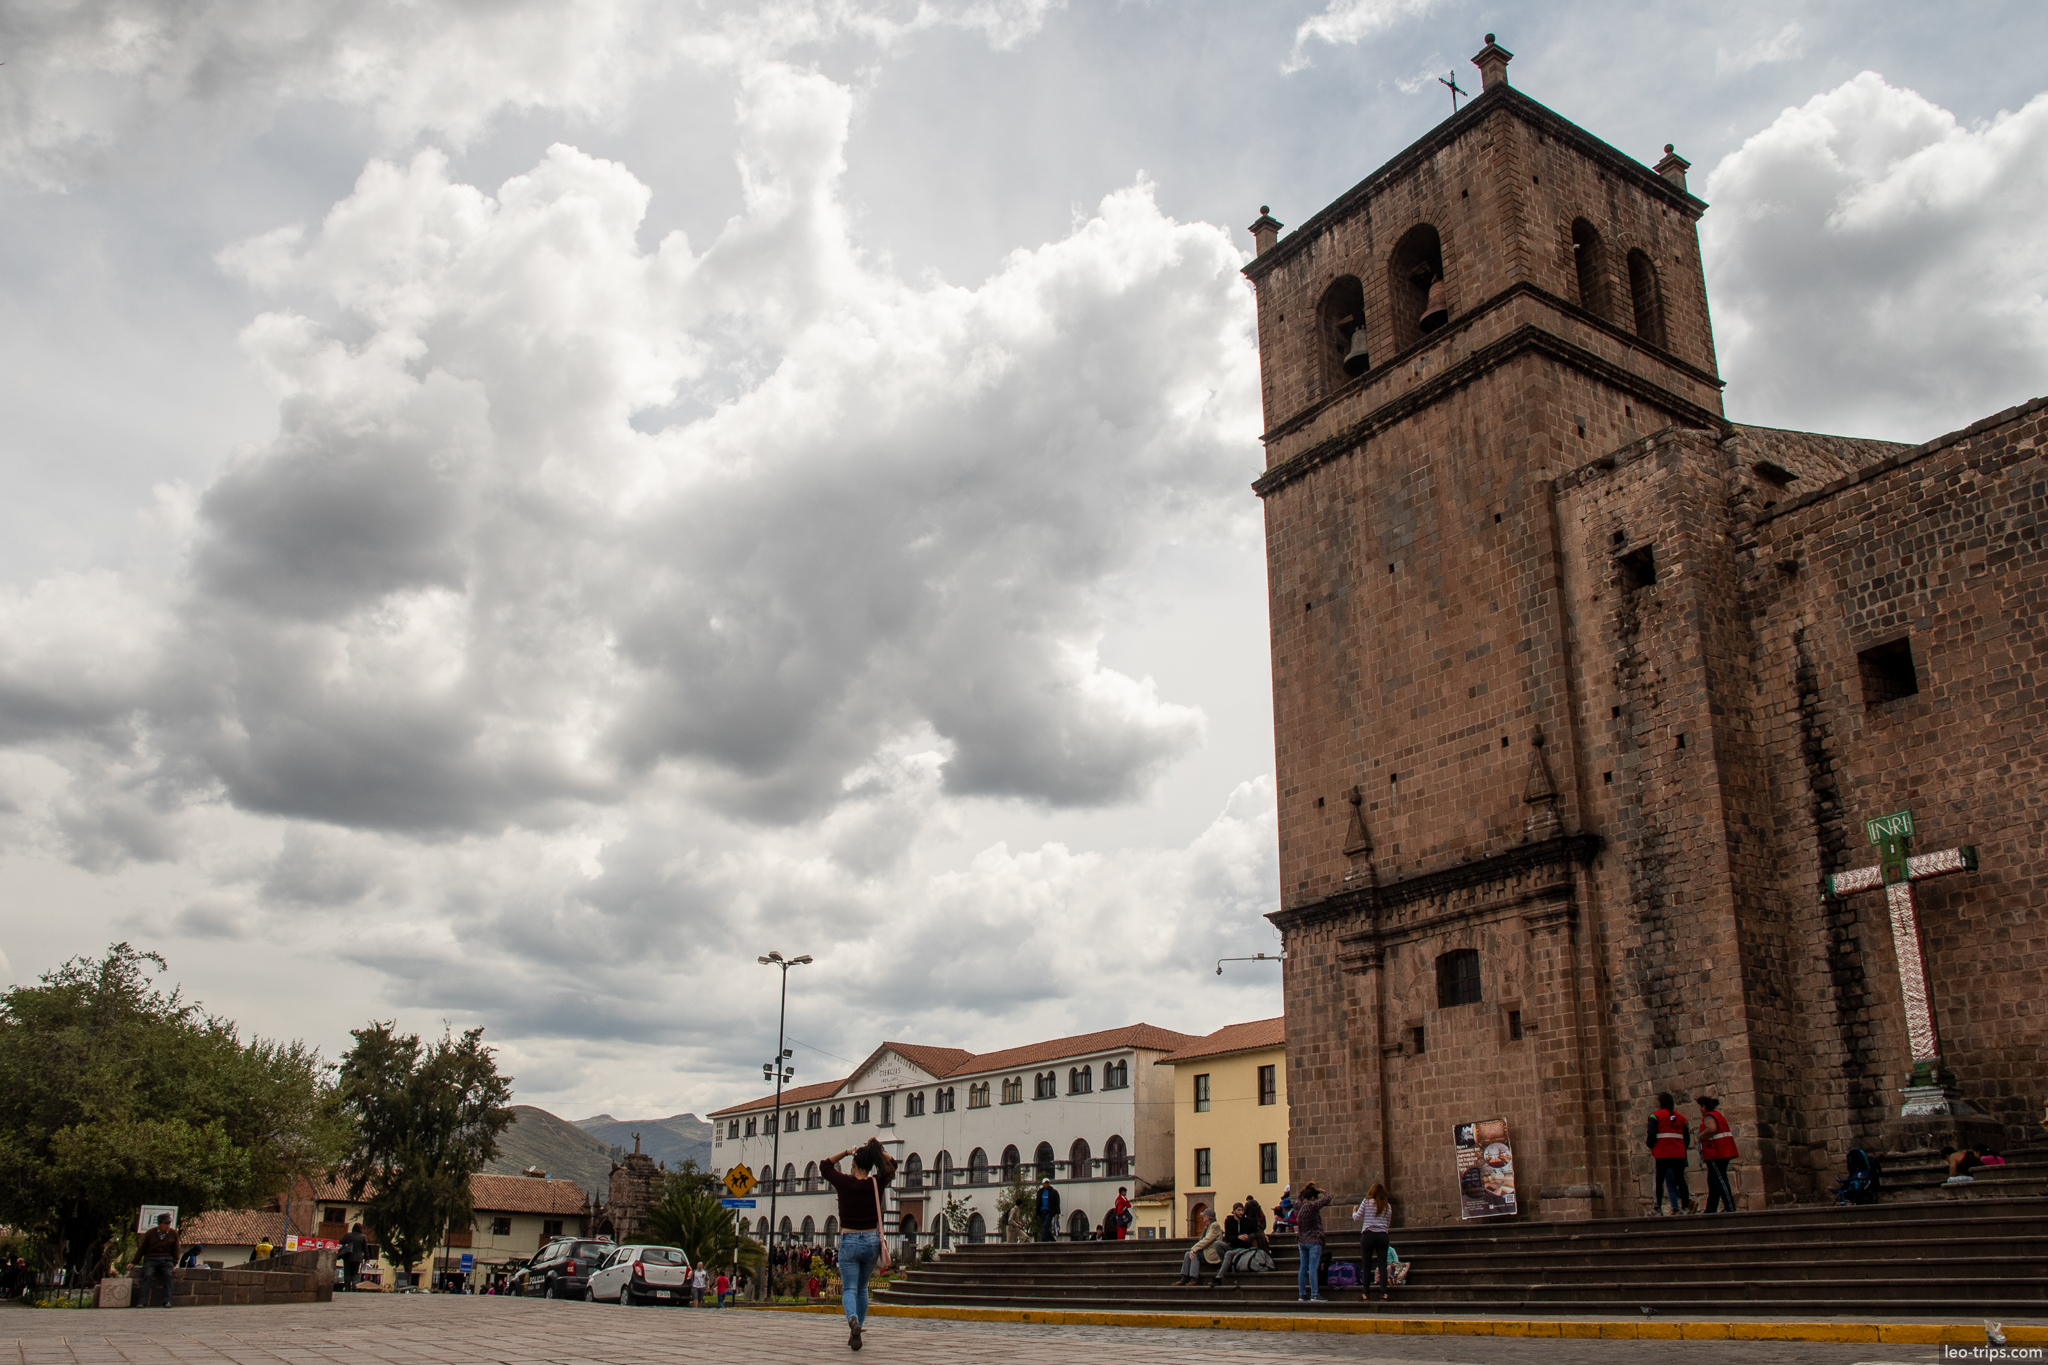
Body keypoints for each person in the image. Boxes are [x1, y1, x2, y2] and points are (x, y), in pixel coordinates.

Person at [821, 1136, 897, 1352]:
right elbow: (893, 1164)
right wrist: (875, 1151)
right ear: (871, 1165)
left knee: (850, 1289)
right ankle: (859, 1327)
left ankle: (852, 1320)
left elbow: (824, 1165)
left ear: (853, 1165)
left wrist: (847, 1151)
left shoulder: (844, 1182)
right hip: (872, 1241)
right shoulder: (876, 1182)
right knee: (863, 1288)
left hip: (850, 1240)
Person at [1647, 1092, 1690, 1215]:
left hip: (1662, 1153)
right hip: (1678, 1153)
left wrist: (1651, 1146)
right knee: (1681, 1180)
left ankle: (1657, 1208)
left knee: (1659, 1181)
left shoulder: (1655, 1116)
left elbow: (1651, 1135)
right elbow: (1686, 1139)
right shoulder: (1681, 1118)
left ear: (1660, 1103)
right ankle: (1685, 1207)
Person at [1293, 1182, 1334, 1303]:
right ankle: (1315, 1294)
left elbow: (1299, 1197)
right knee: (1313, 1267)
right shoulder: (1312, 1206)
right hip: (1314, 1240)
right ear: (1312, 1198)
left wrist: (1304, 1188)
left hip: (1301, 1240)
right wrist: (1322, 1191)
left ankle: (1302, 1294)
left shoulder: (1297, 1206)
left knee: (1303, 1267)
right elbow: (1328, 1199)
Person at [1352, 1182, 1393, 1301]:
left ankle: (1366, 1294)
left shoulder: (1366, 1202)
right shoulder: (1387, 1206)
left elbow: (1356, 1217)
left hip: (1368, 1235)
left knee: (1366, 1265)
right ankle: (1383, 1293)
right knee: (1382, 1265)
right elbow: (1388, 1223)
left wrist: (1354, 1210)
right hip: (1382, 1236)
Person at [1697, 1098, 1737, 1213]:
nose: (1700, 1110)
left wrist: (1701, 1136)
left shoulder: (1709, 1117)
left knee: (1720, 1179)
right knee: (1713, 1181)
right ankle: (1711, 1208)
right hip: (1722, 1151)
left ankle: (1730, 1207)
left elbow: (1712, 1129)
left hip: (1716, 1153)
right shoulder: (1718, 1115)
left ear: (1703, 1107)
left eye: (1700, 1107)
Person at [134, 1212, 178, 1309]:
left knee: (168, 1275)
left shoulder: (173, 1233)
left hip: (166, 1259)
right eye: (165, 1224)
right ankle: (142, 1301)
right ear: (159, 1224)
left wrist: (174, 1263)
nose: (167, 1226)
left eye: (169, 1224)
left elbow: (176, 1249)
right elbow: (142, 1248)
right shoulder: (150, 1233)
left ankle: (167, 1301)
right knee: (148, 1274)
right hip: (151, 1258)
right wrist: (134, 1262)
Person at [1175, 1209, 1224, 1285]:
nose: (1203, 1218)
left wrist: (1194, 1249)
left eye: (1204, 1216)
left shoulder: (1215, 1226)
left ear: (1207, 1217)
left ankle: (1194, 1278)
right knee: (1188, 1254)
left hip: (1212, 1252)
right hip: (1206, 1250)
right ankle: (1184, 1278)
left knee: (1195, 1254)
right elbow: (1201, 1239)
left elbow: (1207, 1240)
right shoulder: (1208, 1226)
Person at [1208, 1202, 1247, 1288]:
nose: (1241, 1212)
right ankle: (1226, 1265)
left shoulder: (1246, 1221)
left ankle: (1218, 1278)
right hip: (1232, 1245)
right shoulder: (1229, 1221)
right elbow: (1228, 1237)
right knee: (1217, 1244)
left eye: (1242, 1210)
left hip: (1243, 1248)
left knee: (1228, 1254)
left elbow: (1255, 1230)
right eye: (1239, 1210)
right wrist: (1238, 1237)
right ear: (1234, 1211)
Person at [340, 1223, 367, 1292]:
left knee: (347, 1273)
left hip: (348, 1256)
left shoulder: (349, 1235)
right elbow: (365, 1249)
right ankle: (354, 1283)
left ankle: (347, 1288)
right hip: (358, 1258)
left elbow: (341, 1241)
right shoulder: (363, 1237)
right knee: (355, 1272)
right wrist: (367, 1258)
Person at [1034, 1178, 1062, 1243]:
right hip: (1042, 1211)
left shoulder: (1054, 1192)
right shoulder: (1040, 1192)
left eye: (1047, 1183)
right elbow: (1038, 1202)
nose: (1046, 1185)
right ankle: (1052, 1239)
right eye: (1045, 1183)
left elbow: (1057, 1202)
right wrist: (1037, 1213)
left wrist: (1057, 1212)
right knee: (1043, 1227)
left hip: (1049, 1211)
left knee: (1046, 1225)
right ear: (1043, 1184)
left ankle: (1044, 1240)